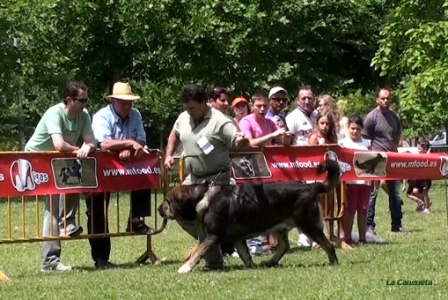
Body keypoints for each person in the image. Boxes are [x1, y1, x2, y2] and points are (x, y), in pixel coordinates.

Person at [164, 84, 249, 271]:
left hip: (216, 180)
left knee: (204, 218)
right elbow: (174, 133)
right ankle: (218, 237)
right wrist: (169, 154)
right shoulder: (184, 117)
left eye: (192, 108)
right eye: (185, 108)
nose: (188, 111)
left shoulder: (221, 121)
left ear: (204, 102)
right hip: (193, 178)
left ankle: (214, 262)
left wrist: (241, 141)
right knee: (175, 209)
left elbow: (236, 141)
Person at [25, 81, 97, 272]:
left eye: (86, 100)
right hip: (37, 162)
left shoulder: (84, 116)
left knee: (75, 183)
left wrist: (87, 147)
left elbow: (91, 141)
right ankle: (49, 262)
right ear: (69, 100)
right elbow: (59, 144)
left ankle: (67, 224)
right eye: (81, 100)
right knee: (53, 209)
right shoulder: (54, 113)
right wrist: (79, 150)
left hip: (59, 161)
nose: (85, 104)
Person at [87, 82, 153, 269]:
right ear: (113, 101)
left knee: (145, 173)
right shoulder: (101, 116)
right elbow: (104, 144)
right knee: (97, 210)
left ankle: (135, 221)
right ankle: (101, 258)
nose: (127, 106)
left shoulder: (136, 115)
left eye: (129, 102)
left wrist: (130, 147)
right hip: (100, 170)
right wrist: (128, 144)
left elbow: (141, 140)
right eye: (123, 102)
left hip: (126, 166)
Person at [362, 87, 404, 233]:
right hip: (376, 159)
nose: (385, 100)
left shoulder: (395, 117)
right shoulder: (371, 118)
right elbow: (365, 139)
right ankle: (369, 226)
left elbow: (397, 135)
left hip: (392, 158)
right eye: (383, 98)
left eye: (387, 98)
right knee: (373, 193)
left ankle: (397, 224)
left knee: (395, 193)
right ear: (377, 99)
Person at [339, 116, 372, 245]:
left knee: (363, 209)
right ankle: (347, 237)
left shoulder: (367, 144)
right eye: (352, 128)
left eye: (357, 129)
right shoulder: (343, 143)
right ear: (348, 128)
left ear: (361, 129)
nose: (354, 131)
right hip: (349, 182)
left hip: (364, 182)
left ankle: (363, 238)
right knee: (350, 209)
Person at [404, 138, 432, 214]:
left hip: (426, 179)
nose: (418, 149)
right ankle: (425, 202)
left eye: (420, 148)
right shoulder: (416, 157)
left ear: (425, 149)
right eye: (418, 147)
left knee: (425, 192)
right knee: (414, 191)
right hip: (419, 179)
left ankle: (427, 208)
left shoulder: (428, 157)